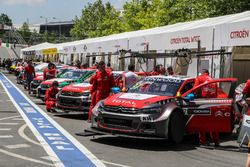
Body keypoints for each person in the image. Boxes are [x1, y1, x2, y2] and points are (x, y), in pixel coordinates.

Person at [194, 69, 219, 147]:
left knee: (202, 122)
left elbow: (195, 89)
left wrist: (195, 94)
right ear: (208, 73)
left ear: (202, 73)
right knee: (213, 123)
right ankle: (216, 141)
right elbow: (216, 93)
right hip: (213, 103)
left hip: (204, 102)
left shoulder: (199, 78)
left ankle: (202, 141)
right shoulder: (213, 80)